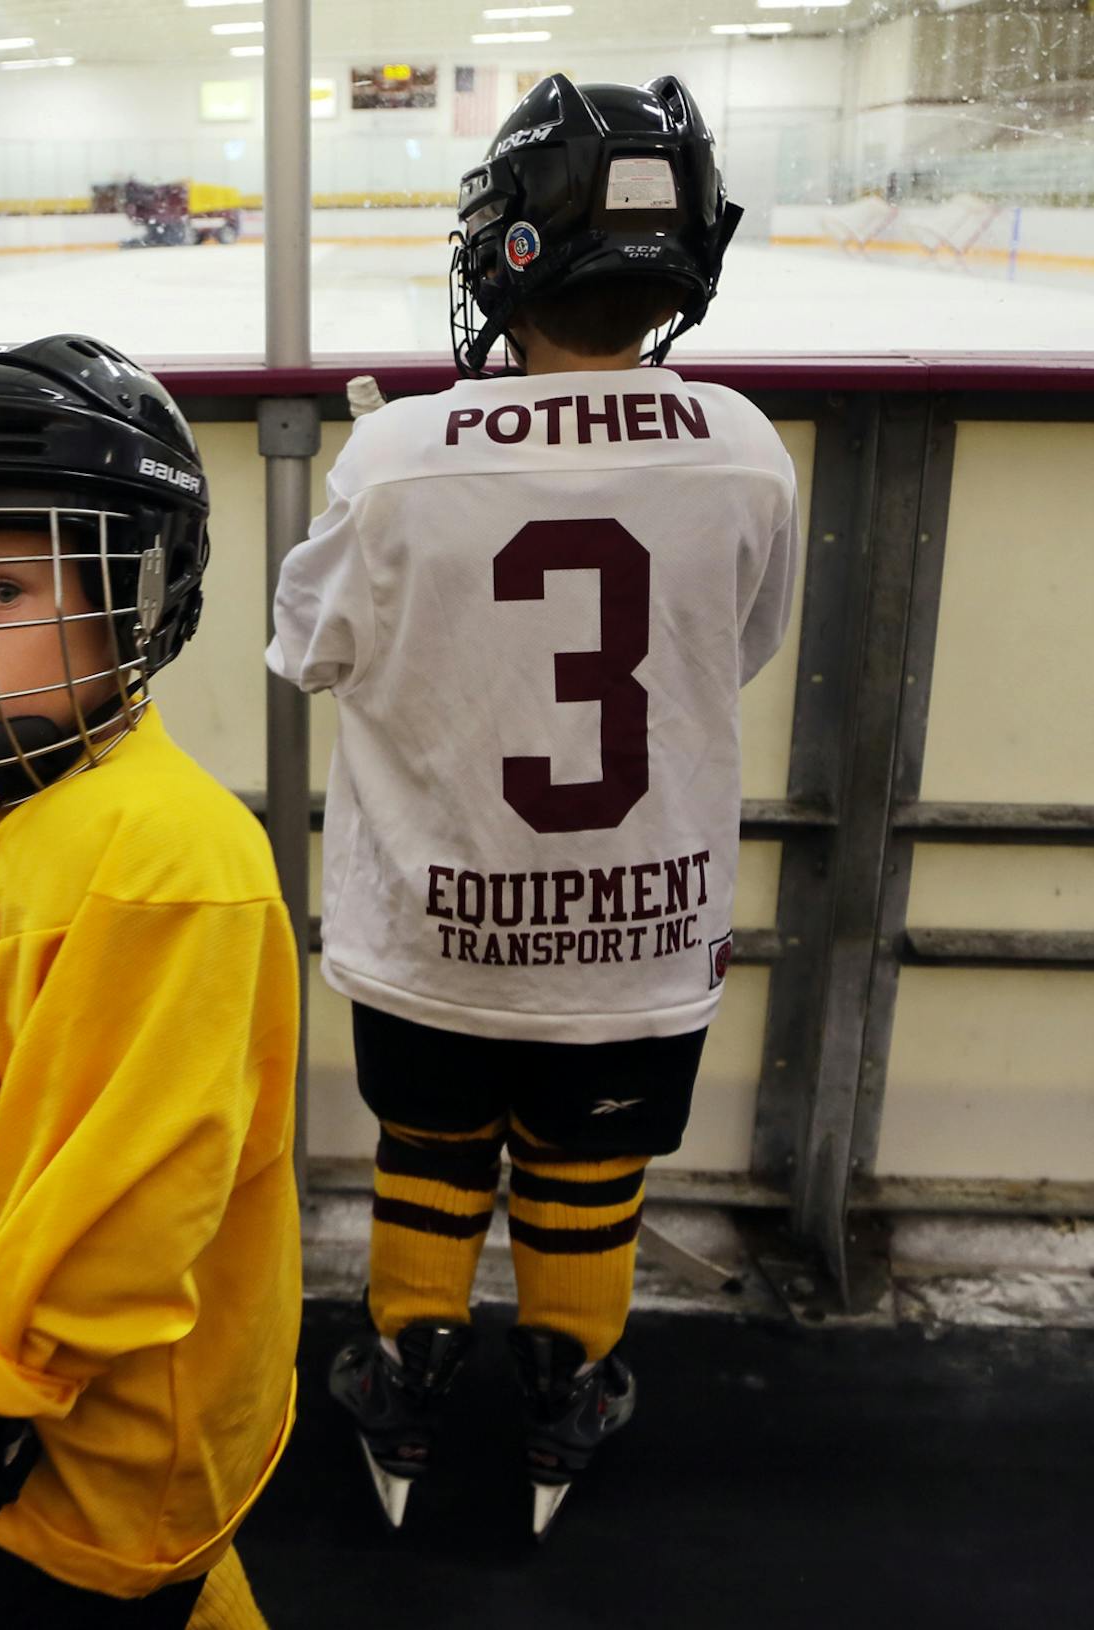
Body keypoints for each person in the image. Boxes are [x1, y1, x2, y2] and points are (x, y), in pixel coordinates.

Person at [269, 72, 798, 1536]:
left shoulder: (392, 459)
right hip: (640, 939)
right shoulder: (747, 449)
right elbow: (735, 647)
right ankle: (570, 1379)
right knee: (591, 1163)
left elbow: (304, 649)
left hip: (432, 930)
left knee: (431, 1149)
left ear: (508, 249)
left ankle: (410, 1365)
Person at [0, 335, 300, 1627]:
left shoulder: (158, 858)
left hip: (100, 1438)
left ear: (131, 596)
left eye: (4, 590)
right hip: (56, 1392)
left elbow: (130, 1191)